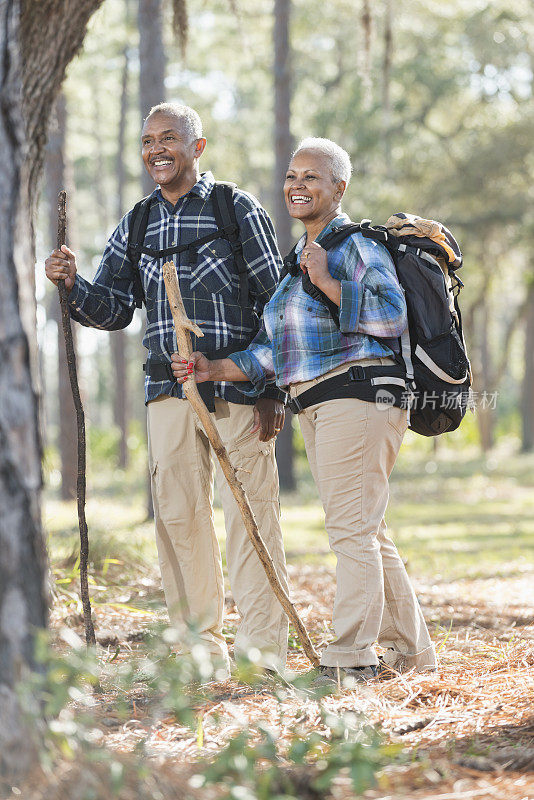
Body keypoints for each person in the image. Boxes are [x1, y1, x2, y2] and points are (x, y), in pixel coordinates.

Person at [171, 137, 437, 684]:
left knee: (350, 532)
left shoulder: (353, 246)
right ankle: (412, 654)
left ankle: (351, 657)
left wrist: (328, 282)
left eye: (312, 177)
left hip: (358, 396)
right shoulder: (298, 261)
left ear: (339, 188)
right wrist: (212, 368)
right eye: (292, 176)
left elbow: (391, 315)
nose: (298, 185)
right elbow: (274, 352)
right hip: (319, 404)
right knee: (367, 529)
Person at [45, 102, 289, 678]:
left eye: (170, 139)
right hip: (167, 392)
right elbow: (111, 309)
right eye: (148, 140)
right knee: (178, 519)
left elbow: (279, 305)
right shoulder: (136, 224)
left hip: (235, 388)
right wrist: (72, 282)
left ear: (197, 147)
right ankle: (198, 651)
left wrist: (270, 387)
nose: (157, 150)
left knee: (251, 516)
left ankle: (263, 654)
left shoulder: (235, 208)